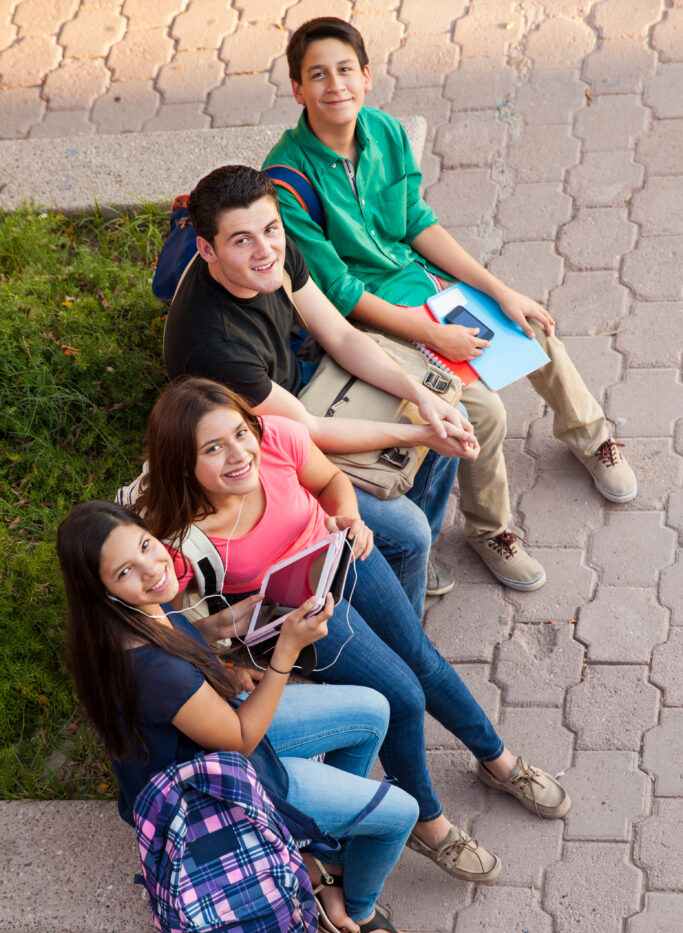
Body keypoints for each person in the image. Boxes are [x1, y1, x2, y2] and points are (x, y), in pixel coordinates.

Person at [134, 377, 572, 887]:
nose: (238, 455)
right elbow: (163, 623)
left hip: (343, 555)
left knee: (421, 657)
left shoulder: (276, 438)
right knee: (403, 697)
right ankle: (428, 824)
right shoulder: (181, 536)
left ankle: (499, 762)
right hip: (306, 615)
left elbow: (329, 482)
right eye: (213, 449)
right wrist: (219, 643)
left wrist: (348, 517)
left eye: (239, 434)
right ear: (183, 464)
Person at [262, 15, 637, 592]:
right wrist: (435, 337)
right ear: (297, 89)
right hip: (377, 321)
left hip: (425, 288)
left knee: (532, 329)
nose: (334, 85)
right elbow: (340, 295)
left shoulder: (384, 131)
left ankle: (590, 437)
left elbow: (417, 224)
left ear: (366, 76)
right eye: (317, 75)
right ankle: (490, 530)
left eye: (344, 71)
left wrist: (498, 289)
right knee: (482, 409)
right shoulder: (287, 180)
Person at [56, 499, 423, 933]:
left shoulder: (130, 613)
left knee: (372, 709)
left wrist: (220, 626)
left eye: (146, 545)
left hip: (217, 737)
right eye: (126, 570)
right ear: (103, 590)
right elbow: (242, 738)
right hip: (224, 786)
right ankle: (357, 910)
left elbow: (176, 634)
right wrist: (285, 650)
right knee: (401, 813)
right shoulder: (151, 672)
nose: (152, 569)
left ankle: (323, 859)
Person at [162, 164, 482, 616]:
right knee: (409, 529)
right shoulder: (214, 346)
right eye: (241, 240)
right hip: (261, 448)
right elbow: (305, 432)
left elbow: (341, 336)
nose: (264, 250)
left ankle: (406, 557)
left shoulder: (274, 252)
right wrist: (419, 433)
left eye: (270, 228)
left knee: (446, 411)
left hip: (303, 385)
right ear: (206, 249)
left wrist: (422, 399)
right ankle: (403, 604)